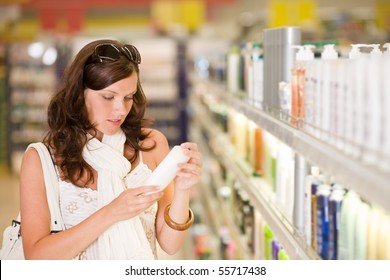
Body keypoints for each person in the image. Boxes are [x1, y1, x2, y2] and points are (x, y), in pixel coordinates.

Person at [19, 39, 202, 260]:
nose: (120, 110)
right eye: (108, 97)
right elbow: (36, 257)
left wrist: (183, 190)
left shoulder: (151, 146)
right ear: (80, 93)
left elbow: (170, 244)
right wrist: (112, 212)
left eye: (128, 97)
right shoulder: (42, 159)